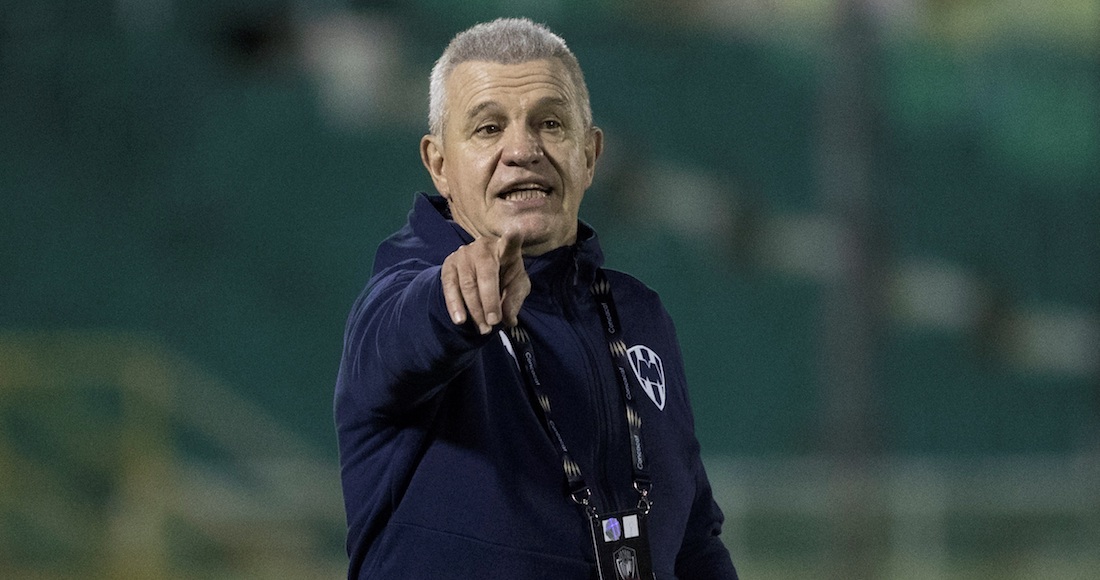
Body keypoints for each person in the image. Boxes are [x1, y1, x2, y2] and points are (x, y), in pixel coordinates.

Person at [334, 17, 738, 579]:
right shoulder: (402, 296)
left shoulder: (639, 315)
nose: (522, 149)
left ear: (590, 155)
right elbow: (398, 337)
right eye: (488, 128)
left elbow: (692, 541)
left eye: (550, 123)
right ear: (439, 164)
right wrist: (455, 302)